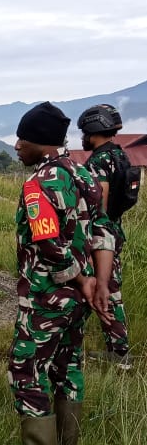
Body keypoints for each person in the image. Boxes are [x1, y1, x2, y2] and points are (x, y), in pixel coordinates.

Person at [5, 102, 115, 445]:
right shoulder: (84, 173)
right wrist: (98, 282)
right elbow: (103, 231)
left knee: (26, 367)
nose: (17, 145)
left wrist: (79, 280)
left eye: (24, 138)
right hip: (81, 297)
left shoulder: (40, 182)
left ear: (42, 142)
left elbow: (49, 244)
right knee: (68, 364)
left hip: (48, 295)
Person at [77, 104, 133, 369]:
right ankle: (118, 349)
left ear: (92, 129)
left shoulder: (99, 161)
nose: (82, 137)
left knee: (103, 288)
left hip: (102, 237)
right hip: (115, 230)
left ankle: (119, 354)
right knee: (110, 288)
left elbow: (98, 203)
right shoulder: (120, 156)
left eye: (84, 131)